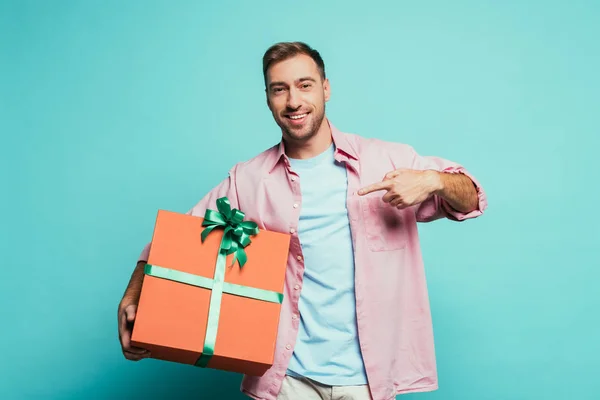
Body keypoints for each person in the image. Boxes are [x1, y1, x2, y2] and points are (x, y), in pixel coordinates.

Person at [118, 41, 487, 400]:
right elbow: (179, 238)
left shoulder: (388, 160)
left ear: (326, 89)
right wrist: (134, 295)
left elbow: (470, 198)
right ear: (267, 98)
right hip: (287, 380)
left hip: (368, 380)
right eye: (280, 89)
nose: (293, 101)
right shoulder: (249, 178)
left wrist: (433, 180)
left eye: (304, 85)